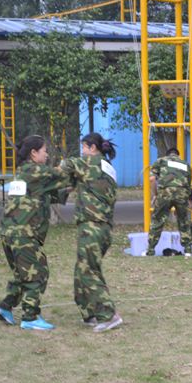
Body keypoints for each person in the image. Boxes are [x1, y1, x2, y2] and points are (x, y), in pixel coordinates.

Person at [0, 135, 70, 331]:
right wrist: (86, 167)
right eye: (44, 151)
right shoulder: (35, 171)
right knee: (37, 274)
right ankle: (30, 317)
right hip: (23, 235)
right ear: (33, 153)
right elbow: (62, 174)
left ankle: (5, 306)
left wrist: (71, 189)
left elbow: (49, 194)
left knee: (23, 274)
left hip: (10, 234)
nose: (47, 155)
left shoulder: (25, 173)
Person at [60, 132, 122, 333]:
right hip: (103, 228)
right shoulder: (107, 167)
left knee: (87, 271)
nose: (82, 152)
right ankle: (89, 313)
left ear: (92, 148)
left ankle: (108, 315)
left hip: (91, 227)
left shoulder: (88, 162)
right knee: (83, 270)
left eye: (84, 148)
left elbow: (65, 166)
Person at [145, 148, 192, 257]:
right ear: (178, 155)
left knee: (157, 220)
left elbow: (152, 179)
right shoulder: (185, 164)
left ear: (167, 154)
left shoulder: (161, 161)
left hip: (165, 193)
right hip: (182, 194)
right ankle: (188, 250)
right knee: (184, 221)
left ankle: (150, 250)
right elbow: (188, 185)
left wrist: (155, 194)